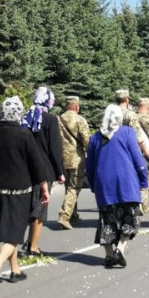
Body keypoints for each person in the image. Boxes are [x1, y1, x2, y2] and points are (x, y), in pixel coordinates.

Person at [0, 97, 50, 285]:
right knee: (16, 232)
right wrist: (43, 187)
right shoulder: (23, 134)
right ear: (18, 113)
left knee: (8, 230)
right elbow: (37, 164)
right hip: (19, 189)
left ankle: (15, 269)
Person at [86, 104, 148, 268]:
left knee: (107, 220)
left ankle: (108, 256)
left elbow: (89, 166)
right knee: (130, 218)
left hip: (103, 184)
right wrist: (143, 179)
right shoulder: (127, 132)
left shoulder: (95, 138)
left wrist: (93, 185)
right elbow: (138, 159)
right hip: (126, 183)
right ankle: (119, 250)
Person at [22, 86, 64, 257]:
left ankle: (29, 241)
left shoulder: (26, 117)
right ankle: (33, 247)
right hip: (44, 169)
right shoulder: (50, 119)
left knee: (30, 206)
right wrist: (60, 171)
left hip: (26, 168)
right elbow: (54, 148)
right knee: (40, 208)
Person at [57, 95, 90, 229]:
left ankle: (73, 215)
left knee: (68, 187)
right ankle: (64, 215)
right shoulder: (79, 120)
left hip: (62, 158)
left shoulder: (58, 119)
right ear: (77, 107)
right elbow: (86, 140)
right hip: (76, 158)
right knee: (74, 187)